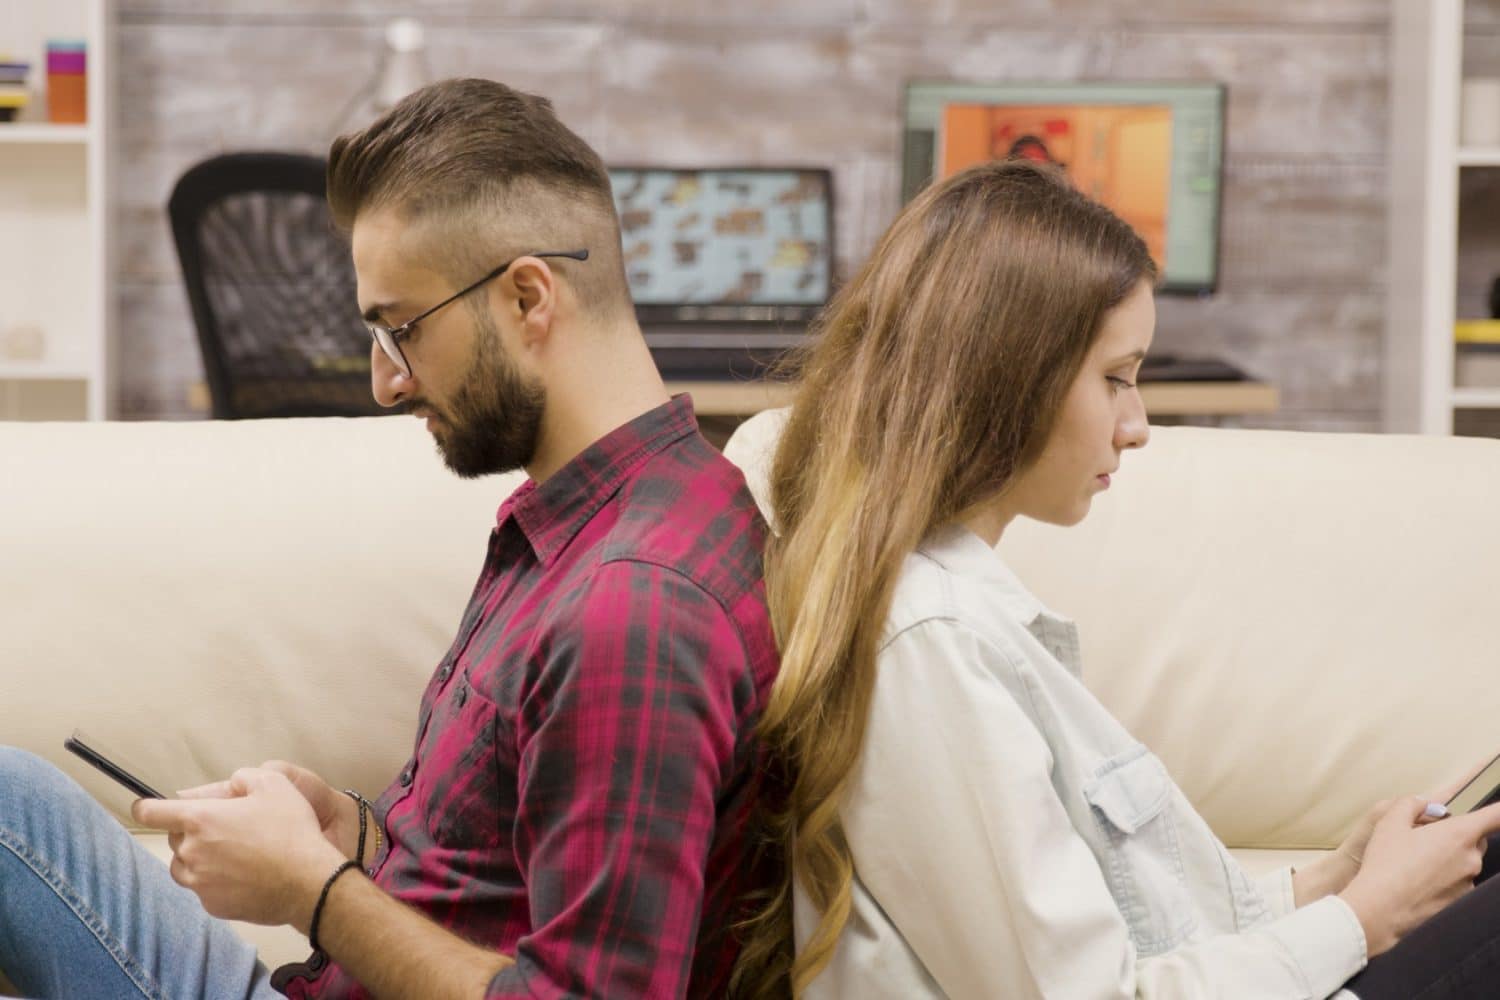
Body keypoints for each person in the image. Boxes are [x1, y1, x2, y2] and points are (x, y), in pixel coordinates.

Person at [0, 78, 778, 1000]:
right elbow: (502, 876)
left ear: (528, 297)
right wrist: (355, 838)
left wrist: (313, 891)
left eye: (400, 331)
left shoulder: (633, 608)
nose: (386, 384)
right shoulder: (603, 515)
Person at [729, 158, 1500, 999]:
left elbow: (1150, 926)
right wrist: (1365, 917)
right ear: (1007, 378)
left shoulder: (961, 614)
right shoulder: (929, 643)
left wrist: (1335, 883)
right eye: (1116, 379)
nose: (1136, 427)